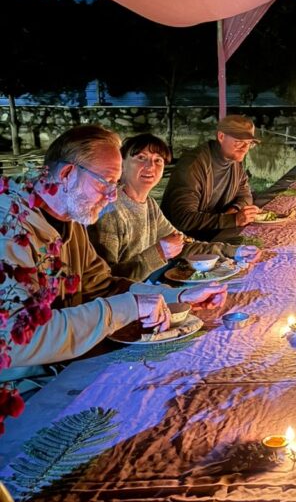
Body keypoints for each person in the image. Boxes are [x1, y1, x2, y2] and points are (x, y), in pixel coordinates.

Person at [0, 126, 227, 373]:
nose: (112, 196)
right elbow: (16, 339)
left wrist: (176, 297)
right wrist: (129, 307)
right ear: (67, 173)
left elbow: (103, 285)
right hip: (26, 385)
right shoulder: (9, 230)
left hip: (69, 363)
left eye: (115, 184)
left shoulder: (70, 221)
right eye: (106, 183)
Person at [89, 134, 262, 280]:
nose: (151, 167)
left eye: (158, 160)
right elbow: (106, 279)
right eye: (141, 158)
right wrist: (158, 253)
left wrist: (233, 251)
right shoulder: (109, 210)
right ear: (121, 165)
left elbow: (182, 244)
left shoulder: (149, 204)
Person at [161, 114, 262, 242]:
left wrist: (234, 211)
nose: (245, 149)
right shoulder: (193, 165)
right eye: (239, 142)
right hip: (181, 241)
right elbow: (183, 218)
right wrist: (233, 219)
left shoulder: (234, 161)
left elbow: (245, 196)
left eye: (249, 143)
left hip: (212, 233)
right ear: (221, 137)